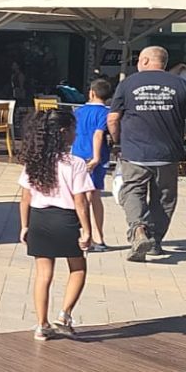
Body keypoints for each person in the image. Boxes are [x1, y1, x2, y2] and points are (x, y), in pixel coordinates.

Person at [108, 46, 186, 262]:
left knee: (132, 191)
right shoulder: (182, 85)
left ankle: (138, 229)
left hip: (135, 152)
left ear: (145, 61)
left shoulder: (128, 84)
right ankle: (154, 242)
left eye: (139, 59)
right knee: (164, 198)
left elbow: (113, 118)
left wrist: (117, 141)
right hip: (168, 153)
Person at [19, 109, 95, 340]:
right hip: (66, 219)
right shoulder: (75, 163)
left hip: (39, 219)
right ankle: (64, 315)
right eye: (73, 130)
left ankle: (41, 324)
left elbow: (25, 198)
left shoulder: (33, 161)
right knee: (78, 268)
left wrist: (24, 226)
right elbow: (81, 201)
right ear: (63, 132)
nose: (75, 134)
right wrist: (87, 230)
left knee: (43, 274)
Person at [71, 78, 113, 251]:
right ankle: (97, 236)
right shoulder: (106, 113)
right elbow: (98, 134)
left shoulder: (79, 111)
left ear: (91, 93)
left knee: (80, 196)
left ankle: (83, 234)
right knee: (94, 196)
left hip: (77, 154)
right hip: (95, 157)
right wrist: (96, 157)